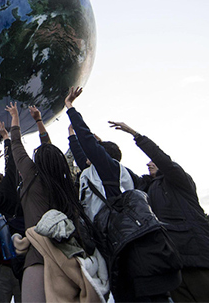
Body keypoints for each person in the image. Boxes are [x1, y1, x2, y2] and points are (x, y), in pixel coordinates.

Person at [65, 87, 181, 302]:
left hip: (126, 241)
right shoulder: (114, 174)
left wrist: (70, 108)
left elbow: (88, 145)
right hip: (117, 238)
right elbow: (84, 155)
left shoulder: (107, 168)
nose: (87, 158)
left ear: (102, 156)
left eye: (95, 153)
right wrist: (72, 137)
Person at [108, 120, 209, 302]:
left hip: (202, 260)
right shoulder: (147, 189)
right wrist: (102, 150)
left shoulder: (180, 182)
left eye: (153, 162)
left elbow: (164, 160)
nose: (149, 165)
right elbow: (117, 171)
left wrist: (136, 135)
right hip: (173, 266)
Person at [6, 102, 105, 303]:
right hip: (69, 260)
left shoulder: (32, 177)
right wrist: (39, 121)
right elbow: (49, 152)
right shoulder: (65, 184)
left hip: (38, 259)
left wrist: (15, 116)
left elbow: (16, 144)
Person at [0, 120, 23, 303]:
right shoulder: (12, 194)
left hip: (1, 263)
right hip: (22, 260)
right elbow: (12, 167)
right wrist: (6, 139)